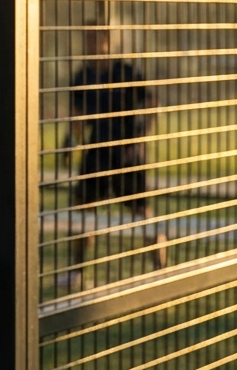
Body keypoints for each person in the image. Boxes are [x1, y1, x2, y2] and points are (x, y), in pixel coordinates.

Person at [62, 25, 165, 291]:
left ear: (107, 40)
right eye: (87, 38)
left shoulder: (125, 72)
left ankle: (161, 270)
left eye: (96, 37)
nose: (91, 43)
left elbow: (152, 102)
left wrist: (141, 138)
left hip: (126, 154)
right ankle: (77, 271)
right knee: (82, 208)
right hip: (96, 152)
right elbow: (76, 116)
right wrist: (71, 143)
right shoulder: (82, 77)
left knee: (142, 211)